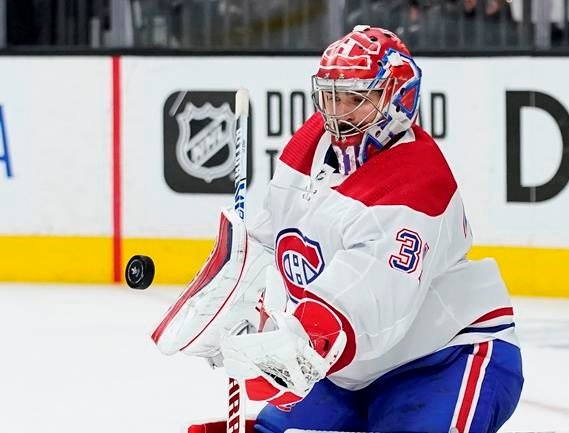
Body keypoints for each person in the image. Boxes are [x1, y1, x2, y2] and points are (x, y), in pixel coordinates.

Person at [153, 25, 523, 433]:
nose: (338, 112)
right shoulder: (311, 143)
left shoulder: (417, 180)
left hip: (444, 359)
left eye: (356, 99)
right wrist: (236, 301)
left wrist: (291, 350)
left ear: (398, 100)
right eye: (331, 96)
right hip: (348, 374)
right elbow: (274, 235)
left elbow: (370, 304)